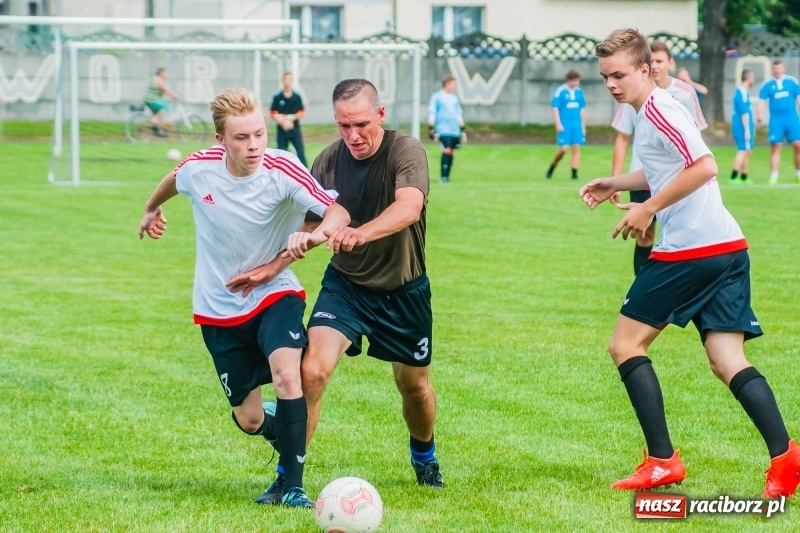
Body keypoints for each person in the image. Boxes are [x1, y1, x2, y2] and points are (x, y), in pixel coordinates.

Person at [581, 27, 800, 497]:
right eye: (605, 77)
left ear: (645, 69)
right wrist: (617, 182)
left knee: (625, 344)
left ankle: (663, 462)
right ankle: (786, 458)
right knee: (726, 359)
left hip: (692, 250)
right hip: (727, 246)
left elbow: (705, 166)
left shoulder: (660, 109)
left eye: (619, 75)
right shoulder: (647, 110)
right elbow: (666, 167)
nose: (611, 84)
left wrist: (648, 207)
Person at [137, 87, 350, 508]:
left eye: (259, 134)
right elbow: (174, 179)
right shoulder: (200, 169)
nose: (254, 145)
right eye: (241, 138)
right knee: (250, 420)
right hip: (217, 307)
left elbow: (337, 212)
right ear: (221, 140)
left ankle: (292, 486)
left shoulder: (283, 168)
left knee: (288, 375)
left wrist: (312, 238)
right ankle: (281, 428)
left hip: (274, 292)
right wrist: (150, 209)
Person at [259, 78, 444, 500]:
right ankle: (288, 480)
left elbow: (409, 206)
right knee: (312, 371)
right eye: (343, 125)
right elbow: (312, 218)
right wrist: (293, 246)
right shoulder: (328, 159)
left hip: (403, 291)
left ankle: (424, 457)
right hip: (346, 287)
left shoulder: (405, 150)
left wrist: (360, 233)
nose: (353, 135)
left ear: (380, 114)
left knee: (414, 388)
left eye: (361, 124)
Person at [610, 41, 707, 275]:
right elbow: (622, 138)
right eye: (650, 61)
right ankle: (642, 286)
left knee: (679, 235)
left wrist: (698, 172)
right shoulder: (630, 95)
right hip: (643, 177)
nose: (654, 66)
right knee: (645, 235)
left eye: (659, 61)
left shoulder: (684, 93)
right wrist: (615, 180)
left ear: (670, 63)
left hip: (677, 177)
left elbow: (696, 142)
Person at [756, 59, 800, 184]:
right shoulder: (767, 84)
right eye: (775, 68)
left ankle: (798, 173)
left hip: (791, 118)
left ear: (783, 69)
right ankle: (774, 176)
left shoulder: (792, 82)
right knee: (776, 147)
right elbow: (762, 100)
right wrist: (759, 113)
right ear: (772, 70)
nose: (777, 70)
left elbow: (798, 98)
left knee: (798, 145)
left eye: (780, 68)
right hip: (776, 120)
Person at [546, 69, 586, 180]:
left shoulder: (579, 92)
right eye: (576, 80)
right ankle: (553, 166)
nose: (578, 83)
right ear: (570, 80)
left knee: (576, 148)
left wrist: (583, 126)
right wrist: (558, 124)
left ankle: (574, 173)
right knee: (564, 149)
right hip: (565, 125)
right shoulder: (560, 91)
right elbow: (555, 108)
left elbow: (582, 110)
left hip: (576, 125)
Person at [427, 74, 466, 183]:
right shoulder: (437, 97)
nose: (454, 86)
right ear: (447, 84)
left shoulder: (454, 98)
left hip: (454, 130)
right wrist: (431, 128)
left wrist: (463, 129)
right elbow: (432, 112)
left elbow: (458, 114)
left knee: (451, 151)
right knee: (446, 149)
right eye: (453, 84)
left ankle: (447, 176)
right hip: (443, 129)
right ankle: (443, 176)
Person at [270, 71, 307, 167]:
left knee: (300, 152)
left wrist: (292, 117)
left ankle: (305, 172)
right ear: (282, 81)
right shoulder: (277, 97)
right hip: (282, 130)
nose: (287, 81)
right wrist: (280, 119)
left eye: (289, 79)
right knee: (281, 153)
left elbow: (302, 111)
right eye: (285, 79)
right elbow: (272, 112)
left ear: (292, 81)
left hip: (294, 129)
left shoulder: (297, 97)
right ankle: (280, 172)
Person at [731, 69, 756, 185]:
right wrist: (747, 130)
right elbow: (744, 113)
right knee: (742, 150)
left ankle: (744, 176)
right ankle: (733, 176)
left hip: (745, 126)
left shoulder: (743, 91)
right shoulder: (741, 92)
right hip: (742, 127)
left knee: (748, 150)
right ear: (749, 78)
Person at [143, 67, 180, 137]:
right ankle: (155, 120)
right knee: (165, 108)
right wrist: (175, 96)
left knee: (157, 114)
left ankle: (158, 130)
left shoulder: (155, 78)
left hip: (148, 99)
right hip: (152, 99)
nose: (166, 75)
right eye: (165, 73)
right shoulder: (159, 80)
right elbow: (166, 90)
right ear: (161, 73)